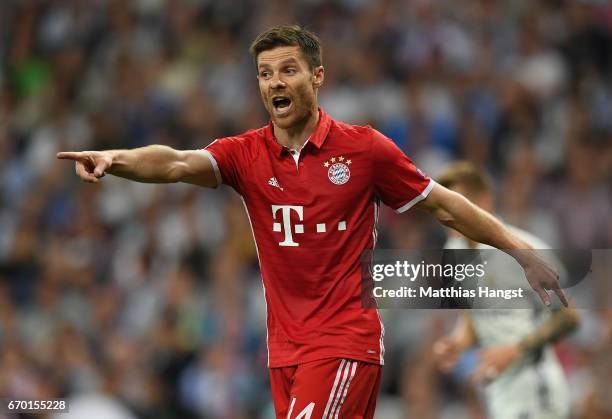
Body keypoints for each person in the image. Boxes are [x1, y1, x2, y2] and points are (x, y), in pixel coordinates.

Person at [57, 25, 567, 419]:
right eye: (264, 73)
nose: (275, 82)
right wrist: (115, 159)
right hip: (284, 352)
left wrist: (520, 252)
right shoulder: (245, 154)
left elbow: (445, 204)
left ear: (316, 76)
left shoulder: (365, 150)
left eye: (288, 69)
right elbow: (173, 162)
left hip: (345, 340)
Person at [432, 162, 579, 419]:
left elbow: (570, 317)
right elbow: (473, 318)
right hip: (498, 393)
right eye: (446, 205)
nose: (451, 213)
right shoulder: (454, 253)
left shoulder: (524, 252)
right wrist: (456, 343)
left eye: (460, 202)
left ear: (485, 201)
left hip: (535, 390)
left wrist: (516, 350)